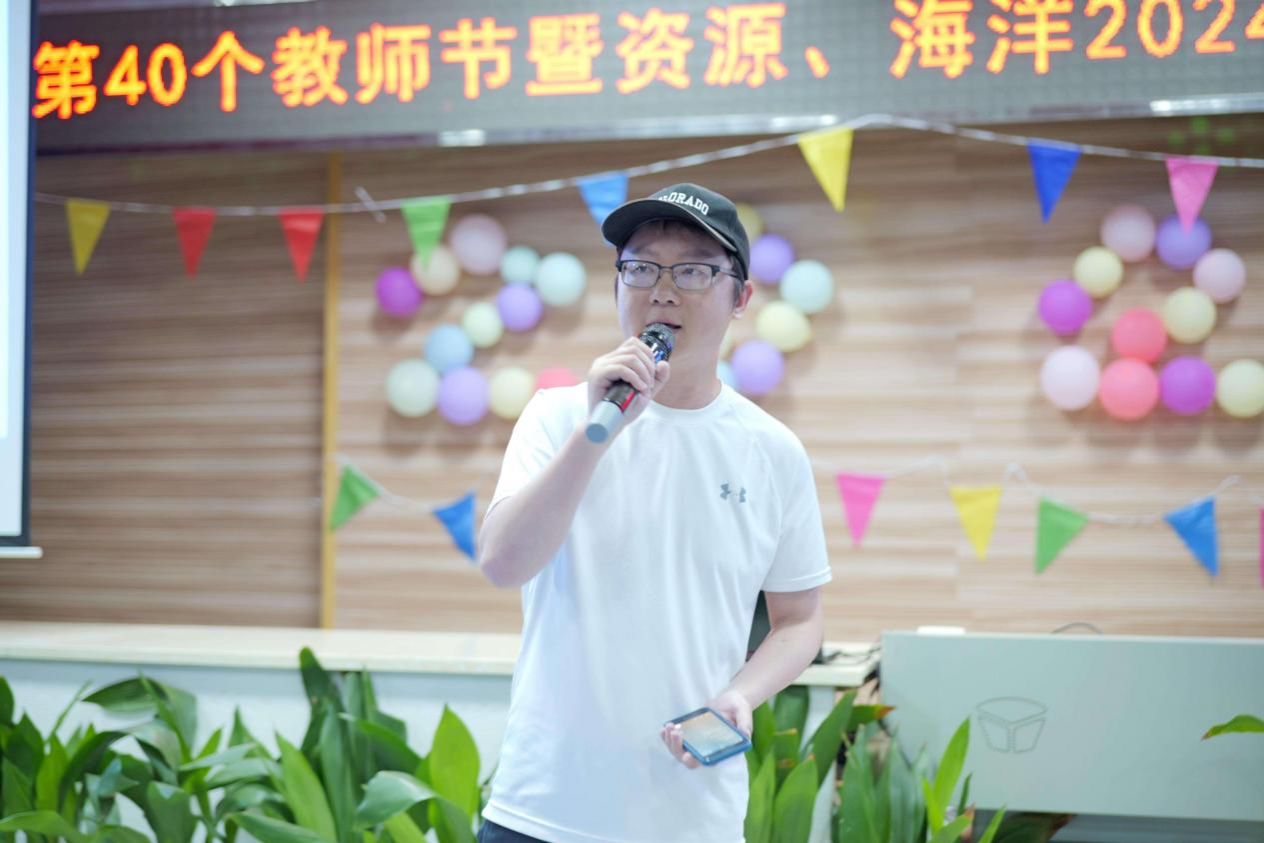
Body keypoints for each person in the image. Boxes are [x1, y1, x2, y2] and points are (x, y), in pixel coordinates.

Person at [476, 183, 832, 843]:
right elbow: (502, 563)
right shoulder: (558, 416)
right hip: (542, 809)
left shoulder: (772, 450)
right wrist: (596, 432)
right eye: (640, 268)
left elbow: (800, 619)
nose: (662, 292)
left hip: (690, 816)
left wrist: (741, 695)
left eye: (692, 271)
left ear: (741, 297)